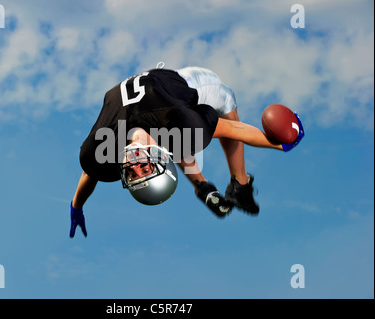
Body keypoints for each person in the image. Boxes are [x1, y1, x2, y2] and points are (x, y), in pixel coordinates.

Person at [69, 65, 304, 238]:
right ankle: (217, 187)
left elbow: (90, 174)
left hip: (183, 83)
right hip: (164, 112)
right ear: (160, 159)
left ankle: (238, 183)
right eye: (146, 169)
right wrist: (280, 143)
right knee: (184, 135)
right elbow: (231, 129)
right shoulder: (181, 129)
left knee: (222, 103)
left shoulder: (104, 151)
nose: (136, 164)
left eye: (134, 173)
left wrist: (76, 206)